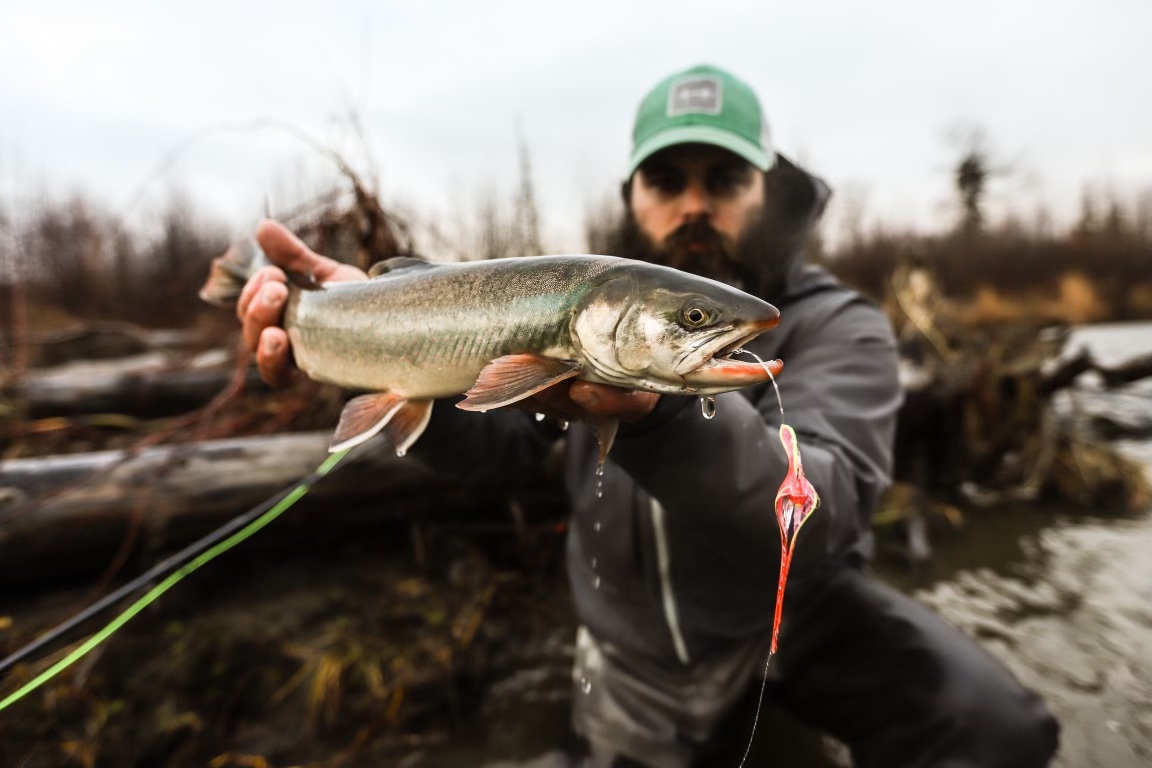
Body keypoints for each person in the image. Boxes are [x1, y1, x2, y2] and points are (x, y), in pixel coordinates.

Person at [236, 65, 1059, 768]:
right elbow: (504, 453)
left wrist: (658, 418)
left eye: (724, 179)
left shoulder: (839, 324)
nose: (693, 205)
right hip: (629, 651)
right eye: (667, 182)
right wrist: (373, 358)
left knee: (998, 729)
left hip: (786, 622)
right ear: (633, 197)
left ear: (765, 191)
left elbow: (828, 510)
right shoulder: (569, 298)